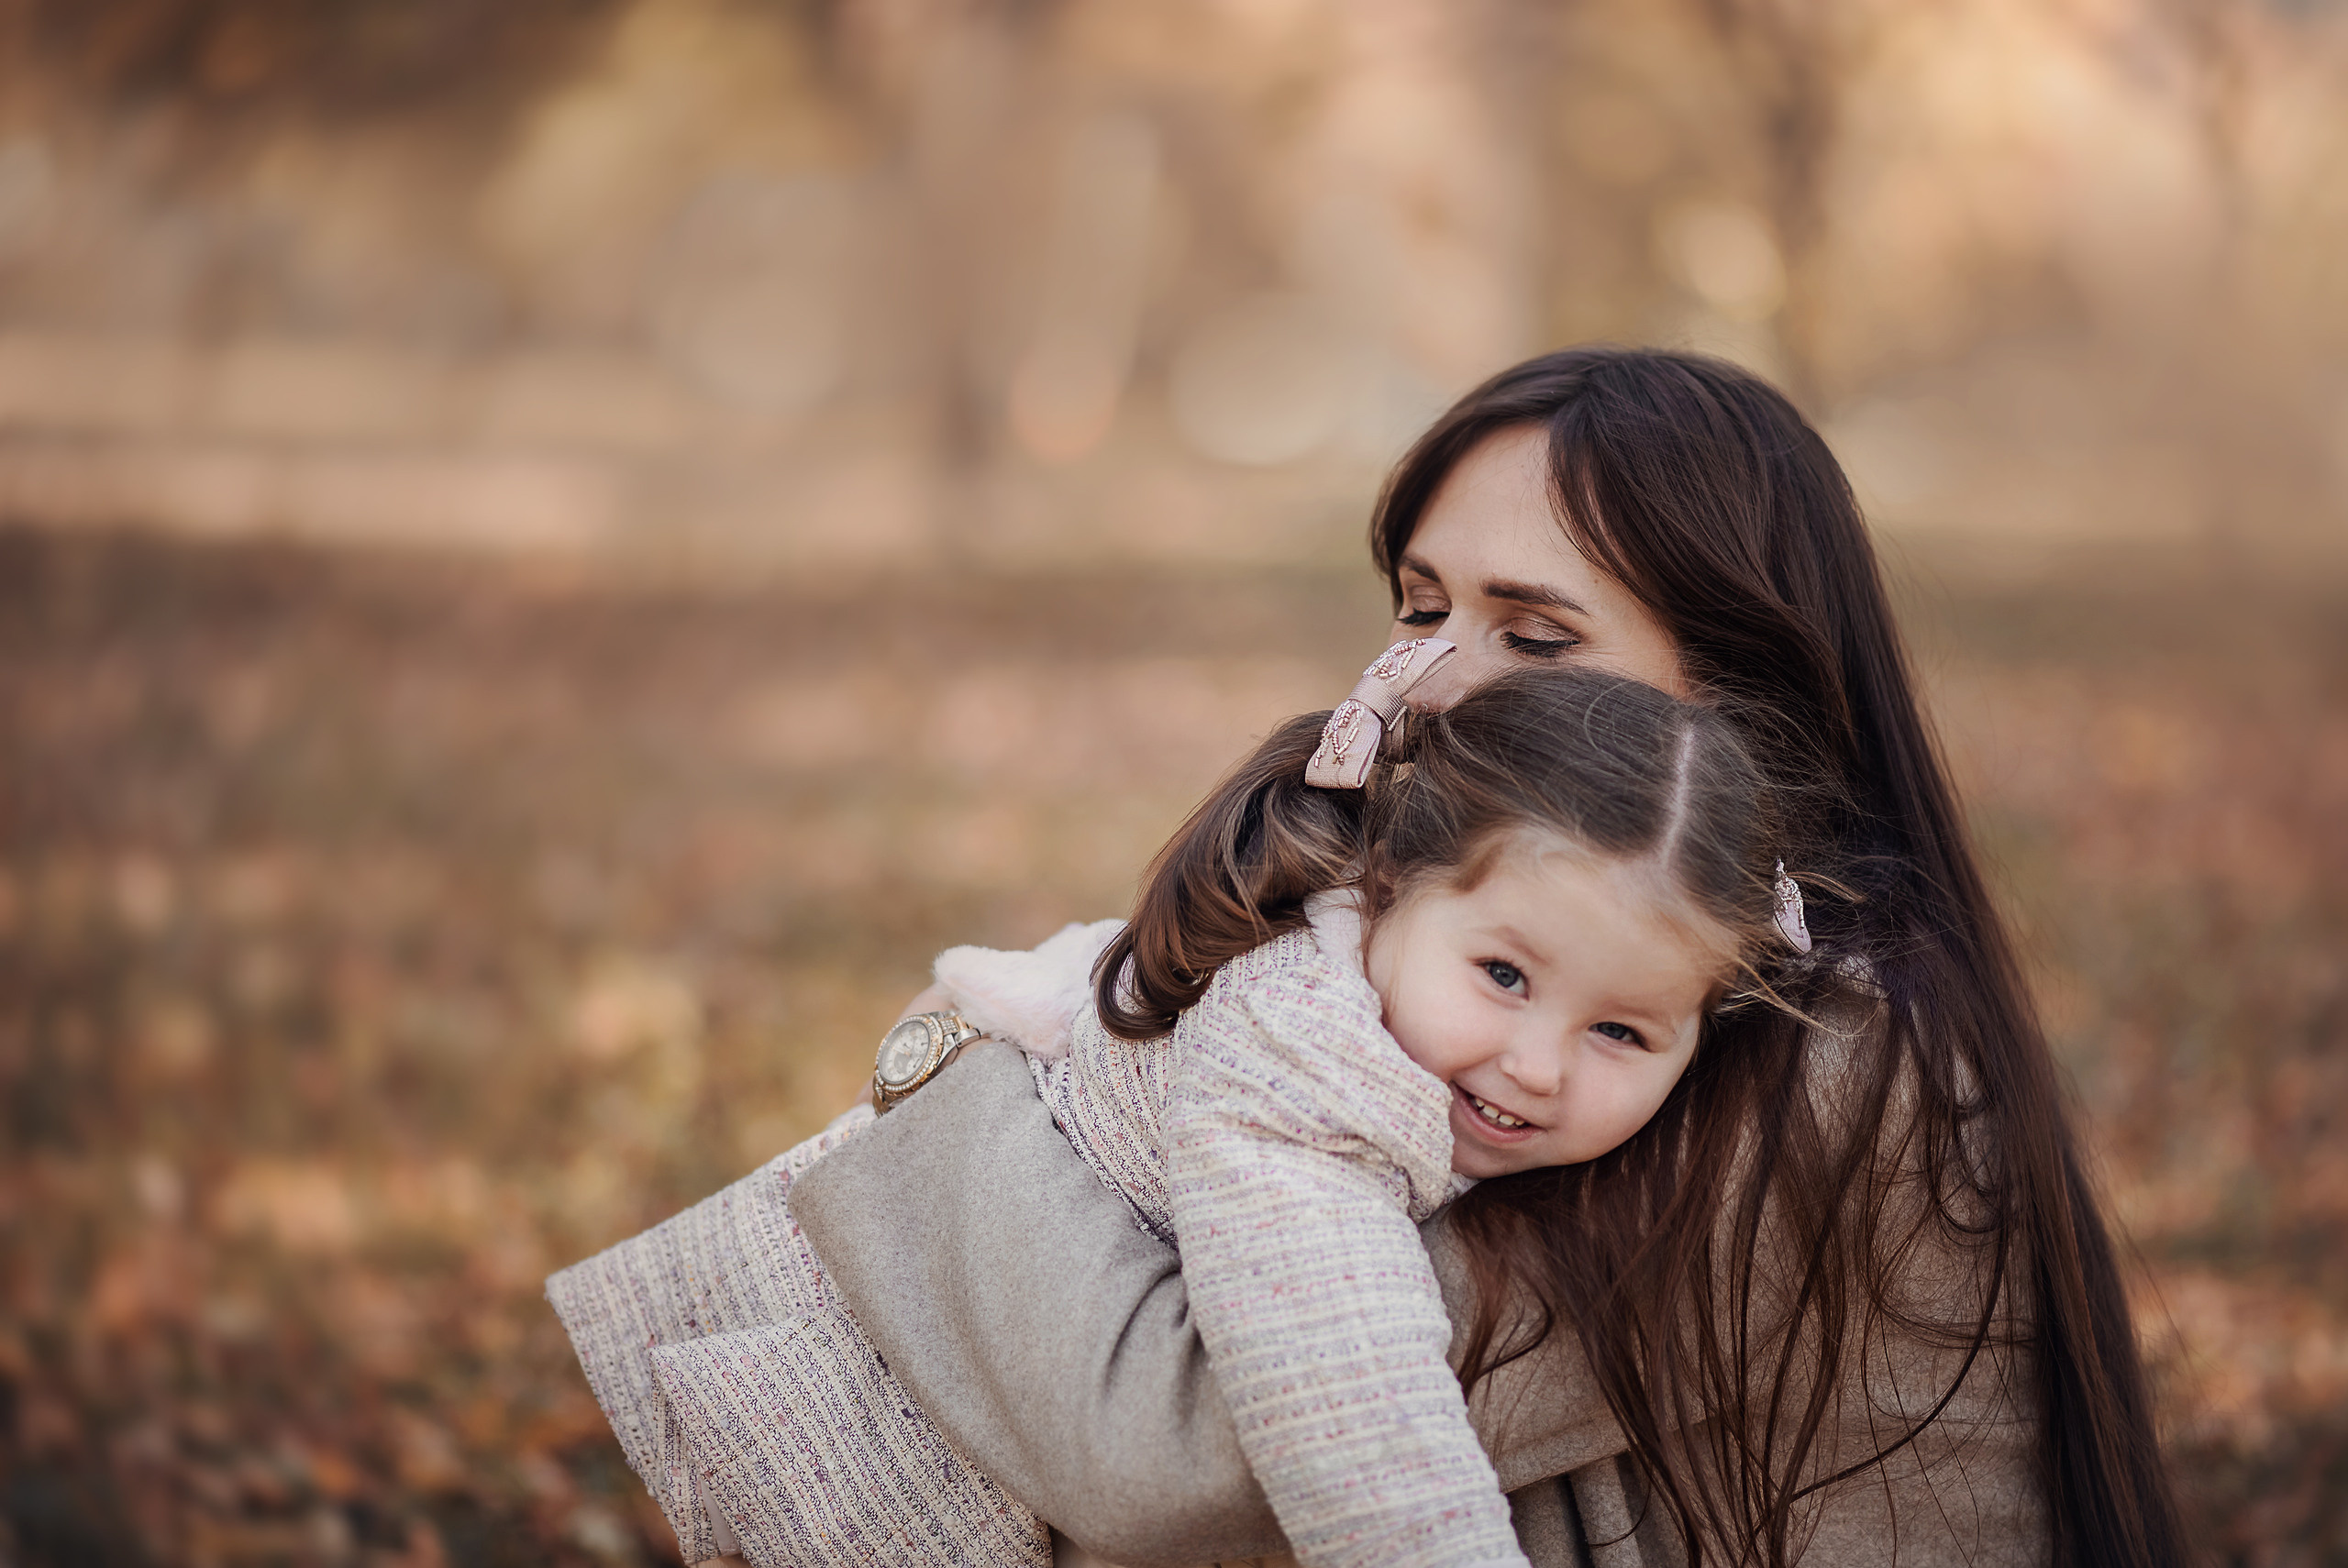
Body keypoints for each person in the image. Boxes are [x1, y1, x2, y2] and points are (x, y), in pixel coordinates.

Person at [785, 348, 2189, 1568]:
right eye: (1419, 607)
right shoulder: (1535, 953)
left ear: (1736, 706)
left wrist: (951, 1061)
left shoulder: (1825, 1046)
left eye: (1532, 634)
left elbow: (1167, 1441)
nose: (1431, 683)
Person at [549, 658, 1807, 1568]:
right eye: (1505, 976)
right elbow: (1355, 1419)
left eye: (1622, 1031)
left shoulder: (1381, 990)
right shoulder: (1312, 1078)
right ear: (1387, 891)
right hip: (883, 1435)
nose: (1537, 1063)